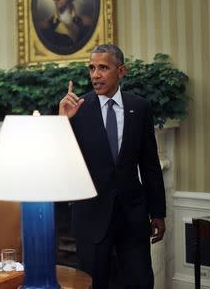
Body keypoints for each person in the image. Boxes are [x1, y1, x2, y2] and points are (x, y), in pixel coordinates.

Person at [59, 44, 166, 288]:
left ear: (121, 71)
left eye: (103, 68)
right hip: (91, 215)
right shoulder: (77, 109)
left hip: (133, 215)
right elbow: (61, 163)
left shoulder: (140, 108)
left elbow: (150, 164)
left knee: (140, 281)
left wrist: (158, 212)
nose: (95, 75)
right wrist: (62, 122)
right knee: (92, 283)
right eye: (92, 68)